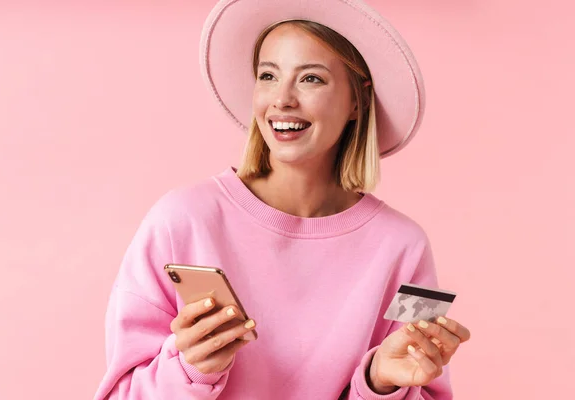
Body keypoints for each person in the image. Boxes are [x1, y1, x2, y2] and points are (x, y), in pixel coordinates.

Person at [93, 0, 471, 399]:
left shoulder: (407, 245)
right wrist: (190, 371)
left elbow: (427, 388)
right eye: (268, 75)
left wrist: (380, 383)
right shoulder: (179, 219)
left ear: (358, 101)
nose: (282, 99)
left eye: (311, 79)